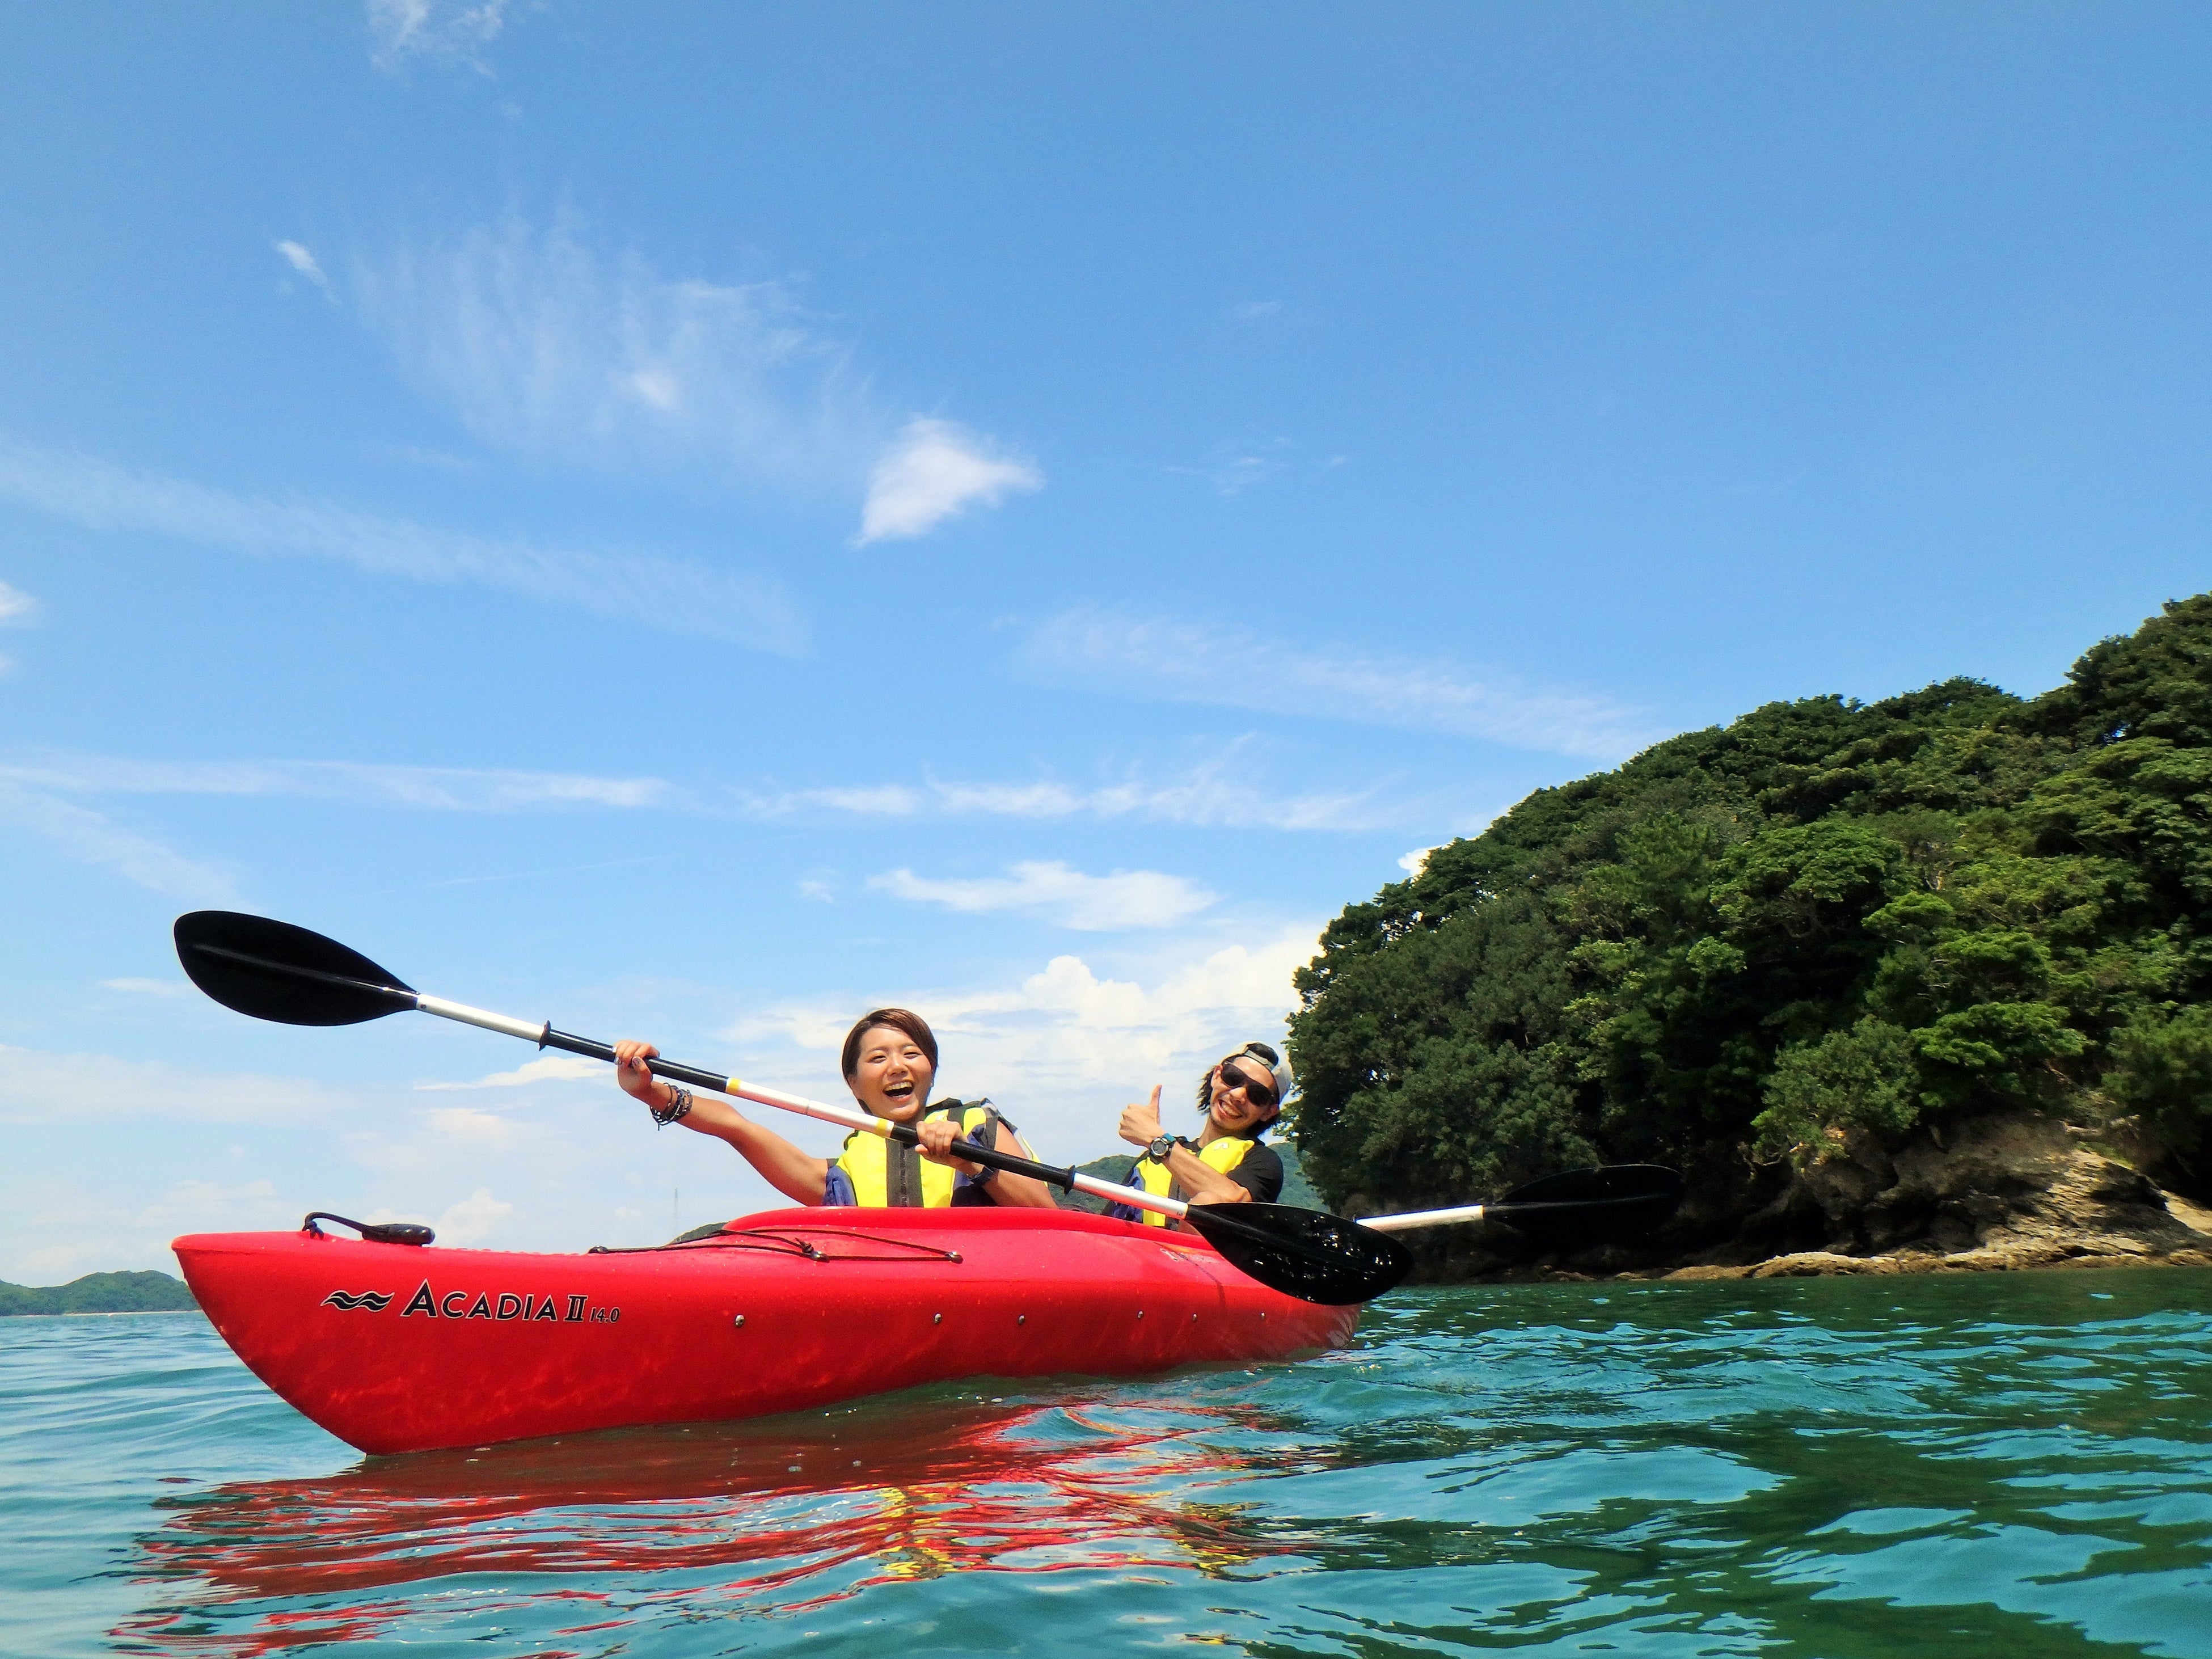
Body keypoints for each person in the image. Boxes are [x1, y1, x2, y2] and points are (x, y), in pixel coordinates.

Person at [611, 1007, 1058, 1209]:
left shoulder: (975, 1125)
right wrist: (650, 1092)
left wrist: (971, 1162)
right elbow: (737, 1127)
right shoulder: (842, 1175)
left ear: (932, 1067)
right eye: (878, 1058)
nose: (897, 1067)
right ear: (853, 1082)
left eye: (911, 1053)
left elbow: (1046, 1215)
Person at [1107, 1041, 1291, 1227]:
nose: (1238, 1095)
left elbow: (1227, 1206)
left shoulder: (1263, 1162)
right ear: (1217, 1076)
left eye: (1258, 1094)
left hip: (1200, 1255)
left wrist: (1157, 1141)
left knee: (1206, 1203)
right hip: (1141, 1253)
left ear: (1269, 1112)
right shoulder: (1151, 1160)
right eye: (1233, 1077)